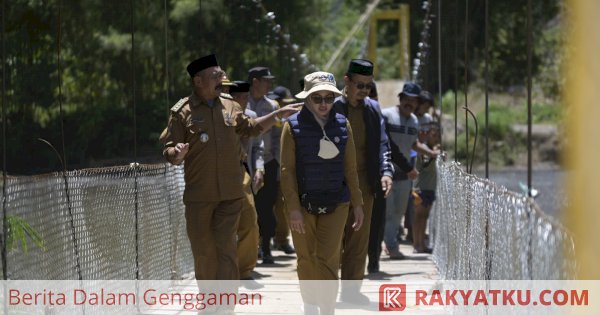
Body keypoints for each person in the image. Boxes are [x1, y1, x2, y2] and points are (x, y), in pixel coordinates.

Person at [161, 54, 299, 280]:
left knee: (226, 249)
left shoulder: (231, 106)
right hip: (200, 197)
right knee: (204, 253)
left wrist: (277, 114)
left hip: (231, 194)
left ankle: (225, 304)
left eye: (222, 74)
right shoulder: (182, 112)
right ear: (198, 81)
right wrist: (177, 154)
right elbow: (169, 151)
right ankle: (209, 302)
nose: (223, 78)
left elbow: (252, 128)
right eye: (216, 76)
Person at [280, 71, 364, 315]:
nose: (324, 104)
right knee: (306, 258)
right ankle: (310, 305)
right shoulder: (291, 127)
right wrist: (293, 209)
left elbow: (350, 168)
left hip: (337, 202)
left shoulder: (343, 124)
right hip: (303, 205)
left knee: (328, 259)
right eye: (318, 99)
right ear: (307, 99)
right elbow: (287, 172)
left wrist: (357, 203)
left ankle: (327, 310)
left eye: (329, 98)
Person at [332, 59, 394, 304]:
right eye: (360, 85)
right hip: (335, 186)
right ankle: (324, 294)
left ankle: (351, 293)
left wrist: (386, 172)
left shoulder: (373, 109)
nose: (364, 91)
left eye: (368, 86)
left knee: (358, 243)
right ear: (346, 81)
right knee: (332, 242)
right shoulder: (332, 107)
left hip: (365, 186)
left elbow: (383, 144)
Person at [381, 82, 439, 260]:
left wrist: (430, 153)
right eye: (406, 99)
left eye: (413, 101)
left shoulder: (414, 121)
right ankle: (391, 245)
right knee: (388, 211)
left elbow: (414, 144)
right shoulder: (386, 115)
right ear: (400, 99)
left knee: (398, 212)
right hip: (386, 172)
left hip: (406, 173)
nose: (409, 104)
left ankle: (388, 242)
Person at [229, 81, 265, 287]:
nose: (242, 101)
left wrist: (260, 168)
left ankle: (244, 269)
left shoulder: (251, 117)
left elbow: (259, 145)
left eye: (245, 98)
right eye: (239, 97)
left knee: (251, 222)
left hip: (245, 175)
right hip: (222, 176)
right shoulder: (220, 117)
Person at [247, 66, 280, 264]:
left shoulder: (273, 106)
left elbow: (277, 136)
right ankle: (252, 249)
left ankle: (266, 247)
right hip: (246, 164)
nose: (269, 84)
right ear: (255, 82)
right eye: (265, 80)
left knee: (267, 207)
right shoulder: (240, 103)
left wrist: (277, 163)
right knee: (250, 209)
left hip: (268, 163)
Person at [266, 86, 297, 255]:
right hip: (265, 167)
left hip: (282, 169)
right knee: (263, 208)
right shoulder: (266, 115)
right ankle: (262, 243)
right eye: (284, 103)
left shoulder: (288, 122)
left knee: (282, 206)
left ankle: (281, 240)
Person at [412, 121, 441, 253]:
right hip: (420, 188)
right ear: (427, 135)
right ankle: (417, 245)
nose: (436, 138)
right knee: (419, 217)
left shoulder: (431, 150)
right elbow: (425, 165)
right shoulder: (424, 149)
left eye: (437, 135)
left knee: (424, 217)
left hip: (429, 188)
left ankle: (421, 244)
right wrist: (434, 154)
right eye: (434, 135)